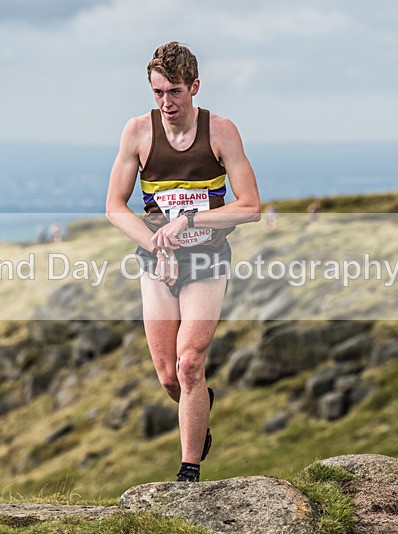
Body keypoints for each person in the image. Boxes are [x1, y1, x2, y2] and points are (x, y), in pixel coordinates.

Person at [106, 42, 260, 482]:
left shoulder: (221, 131)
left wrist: (190, 219)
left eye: (174, 91)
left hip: (207, 262)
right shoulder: (137, 132)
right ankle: (199, 404)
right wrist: (157, 244)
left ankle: (188, 472)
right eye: (157, 93)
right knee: (169, 377)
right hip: (158, 265)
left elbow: (250, 206)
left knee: (189, 362)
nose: (166, 103)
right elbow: (115, 207)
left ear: (194, 86)